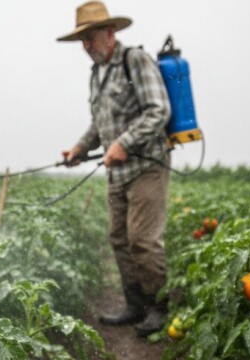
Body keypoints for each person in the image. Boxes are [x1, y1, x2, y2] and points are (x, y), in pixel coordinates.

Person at [57, 1, 172, 337]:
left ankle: (158, 308)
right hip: (116, 172)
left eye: (90, 37)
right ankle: (134, 305)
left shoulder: (133, 60)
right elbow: (99, 124)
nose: (85, 46)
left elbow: (158, 110)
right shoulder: (97, 74)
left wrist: (124, 142)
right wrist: (80, 147)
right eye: (82, 40)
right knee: (119, 238)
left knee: (143, 240)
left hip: (147, 165)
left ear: (109, 33)